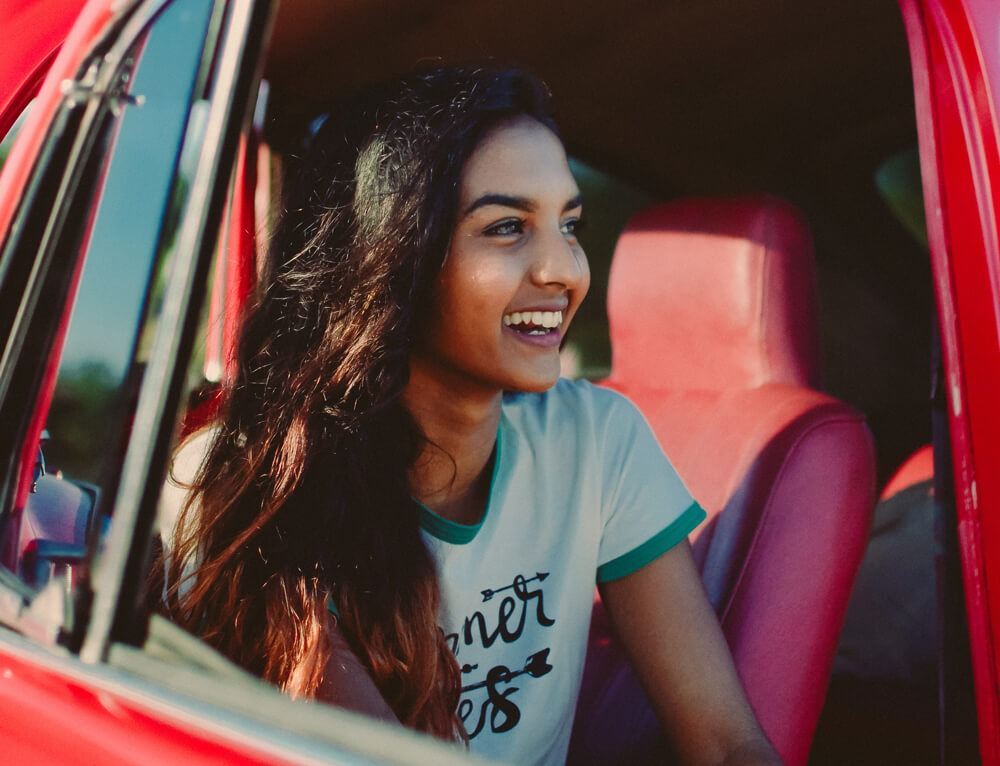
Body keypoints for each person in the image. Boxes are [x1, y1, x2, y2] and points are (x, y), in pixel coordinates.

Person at [158, 66, 782, 766]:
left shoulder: (598, 439)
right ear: (392, 258)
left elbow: (727, 745)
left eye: (568, 225)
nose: (563, 270)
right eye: (508, 227)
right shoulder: (245, 481)